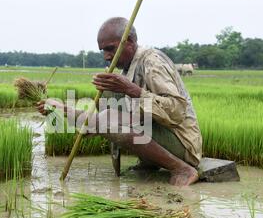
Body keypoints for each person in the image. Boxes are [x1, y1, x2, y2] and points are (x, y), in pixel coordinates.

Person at [37, 17, 202, 186]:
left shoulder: (152, 62)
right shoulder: (124, 72)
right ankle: (150, 163)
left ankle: (182, 169)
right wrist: (62, 109)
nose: (106, 56)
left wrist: (132, 90)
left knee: (111, 117)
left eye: (110, 49)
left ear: (129, 41)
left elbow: (177, 109)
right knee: (108, 111)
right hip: (156, 134)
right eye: (103, 50)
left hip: (182, 143)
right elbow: (95, 123)